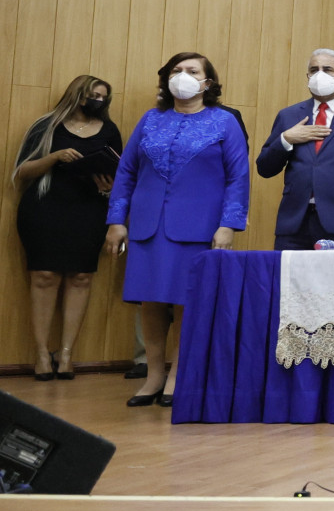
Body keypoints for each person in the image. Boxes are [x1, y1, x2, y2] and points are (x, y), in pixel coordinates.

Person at [104, 54, 250, 406]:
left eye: (192, 71)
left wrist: (228, 225)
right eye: (176, 71)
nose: (183, 76)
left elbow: (238, 177)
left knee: (188, 301)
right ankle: (154, 375)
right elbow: (126, 172)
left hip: (198, 228)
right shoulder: (151, 119)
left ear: (208, 82)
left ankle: (178, 375)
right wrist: (116, 220)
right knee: (150, 301)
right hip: (147, 227)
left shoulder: (224, 121)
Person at [14, 75, 120, 379]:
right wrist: (55, 157)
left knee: (81, 277)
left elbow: (120, 175)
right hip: (45, 207)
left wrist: (108, 187)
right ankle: (41, 354)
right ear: (77, 94)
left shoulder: (110, 130)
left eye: (103, 97)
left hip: (90, 209)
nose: (98, 101)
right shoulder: (46, 125)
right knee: (44, 276)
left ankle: (66, 354)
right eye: (93, 95)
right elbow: (22, 171)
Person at [256, 48, 334, 250]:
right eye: (314, 70)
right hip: (294, 222)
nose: (320, 75)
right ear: (307, 77)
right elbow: (265, 168)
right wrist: (285, 139)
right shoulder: (289, 115)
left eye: (327, 69)